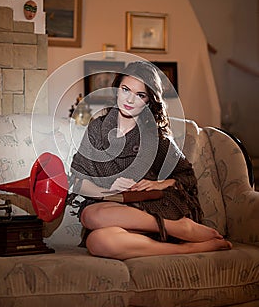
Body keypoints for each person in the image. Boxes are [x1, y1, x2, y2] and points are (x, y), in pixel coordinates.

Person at [69, 61, 232, 260]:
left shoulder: (155, 136)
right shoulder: (97, 128)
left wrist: (157, 183)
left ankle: (177, 225)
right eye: (125, 89)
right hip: (113, 211)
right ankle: (185, 245)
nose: (130, 99)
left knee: (93, 216)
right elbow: (78, 180)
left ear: (149, 101)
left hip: (153, 207)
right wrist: (112, 188)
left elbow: (186, 176)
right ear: (116, 90)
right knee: (95, 235)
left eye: (140, 95)